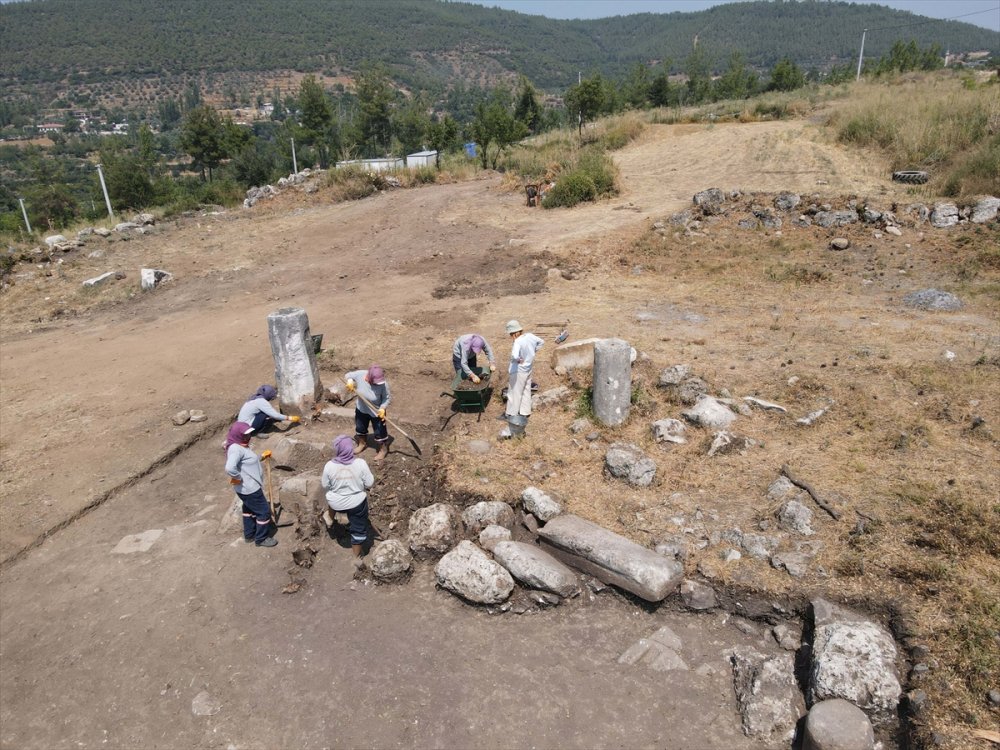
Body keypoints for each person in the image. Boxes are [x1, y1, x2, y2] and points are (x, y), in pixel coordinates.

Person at [223, 421, 277, 548]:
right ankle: (261, 538)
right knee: (263, 512)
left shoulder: (240, 446)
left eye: (249, 434)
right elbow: (230, 468)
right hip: (250, 488)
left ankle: (249, 534)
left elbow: (247, 461)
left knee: (248, 509)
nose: (249, 437)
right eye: (245, 435)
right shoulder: (236, 449)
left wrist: (261, 457)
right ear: (238, 434)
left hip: (245, 489)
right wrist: (238, 477)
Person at [321, 434, 375, 560]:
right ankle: (356, 557)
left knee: (332, 494)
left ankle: (330, 517)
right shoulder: (360, 463)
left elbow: (325, 485)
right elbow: (369, 483)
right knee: (358, 527)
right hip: (357, 504)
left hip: (336, 504)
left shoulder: (329, 465)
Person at [504, 320, 544, 436]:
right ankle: (525, 411)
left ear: (514, 333)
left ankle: (512, 413)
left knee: (514, 392)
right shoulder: (530, 336)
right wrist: (532, 353)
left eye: (511, 334)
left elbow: (514, 355)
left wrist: (518, 359)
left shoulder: (518, 341)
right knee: (526, 389)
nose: (511, 336)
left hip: (518, 370)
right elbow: (541, 342)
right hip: (528, 368)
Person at [345, 365, 391, 461]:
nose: (378, 384)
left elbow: (387, 398)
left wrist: (382, 408)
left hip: (377, 412)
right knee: (360, 428)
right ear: (369, 377)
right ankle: (362, 444)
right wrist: (350, 381)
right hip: (362, 409)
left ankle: (383, 450)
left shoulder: (383, 384)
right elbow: (348, 375)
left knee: (380, 432)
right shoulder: (361, 374)